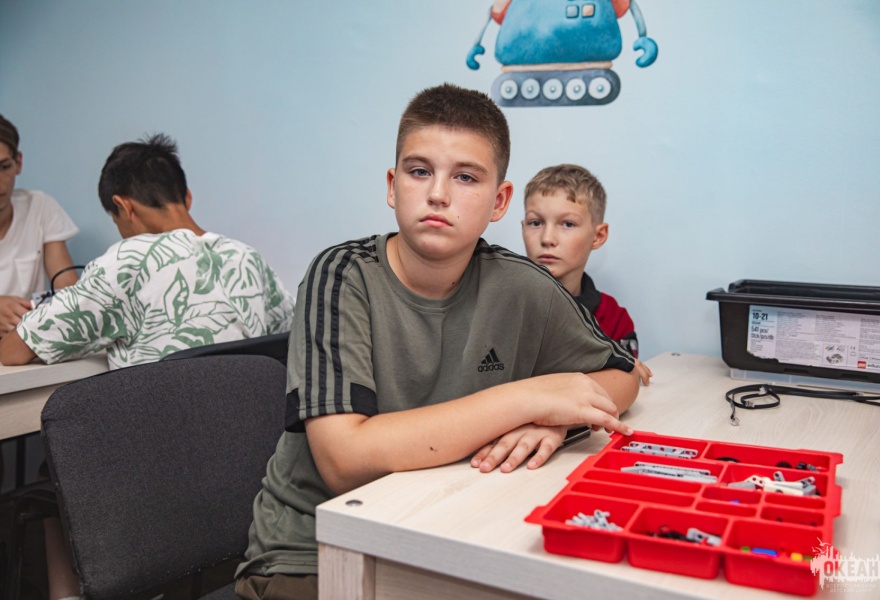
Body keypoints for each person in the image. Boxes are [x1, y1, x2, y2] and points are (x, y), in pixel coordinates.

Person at [234, 83, 641, 600]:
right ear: (392, 185)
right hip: (315, 551)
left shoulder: (520, 284)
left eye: (465, 177)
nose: (438, 194)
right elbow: (344, 460)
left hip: (449, 526)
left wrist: (555, 421)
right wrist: (526, 399)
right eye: (419, 171)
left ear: (499, 201)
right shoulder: (340, 276)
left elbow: (623, 373)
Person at [0, 133, 295, 369]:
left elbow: (13, 351)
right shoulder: (246, 257)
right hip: (249, 420)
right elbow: (291, 333)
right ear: (187, 197)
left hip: (162, 423)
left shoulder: (127, 261)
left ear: (124, 207)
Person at [521, 163, 640, 357]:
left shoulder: (614, 319)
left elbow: (627, 374)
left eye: (568, 224)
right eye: (535, 223)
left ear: (598, 236)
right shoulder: (498, 306)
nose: (547, 239)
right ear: (523, 227)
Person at [0, 113, 79, 339]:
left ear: (18, 163)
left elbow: (69, 293)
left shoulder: (40, 207)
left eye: (3, 167)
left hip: (28, 345)